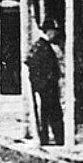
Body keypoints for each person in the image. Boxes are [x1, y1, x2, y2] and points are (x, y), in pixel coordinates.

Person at [24, 17, 65, 146]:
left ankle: (50, 138)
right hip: (47, 86)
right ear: (49, 32)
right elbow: (32, 64)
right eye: (54, 32)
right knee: (52, 112)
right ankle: (55, 138)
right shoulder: (42, 46)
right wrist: (44, 82)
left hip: (47, 85)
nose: (55, 34)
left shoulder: (44, 45)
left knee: (48, 112)